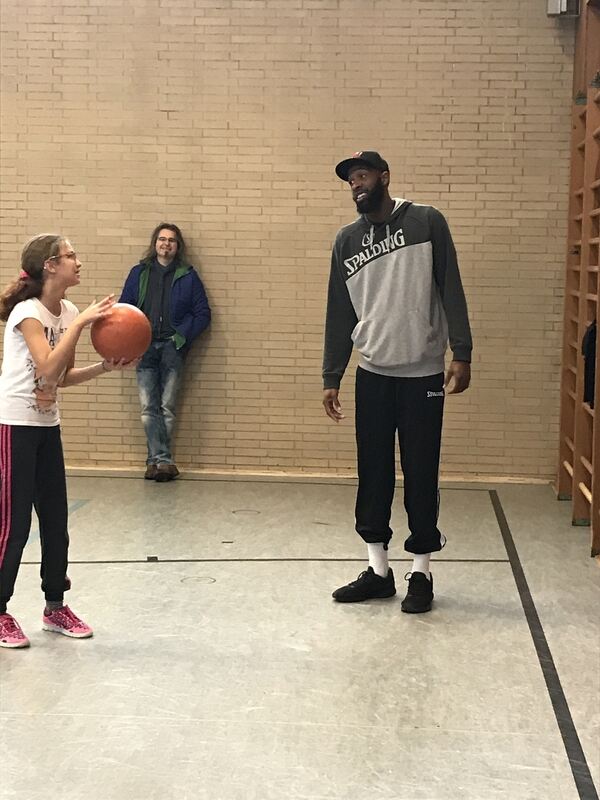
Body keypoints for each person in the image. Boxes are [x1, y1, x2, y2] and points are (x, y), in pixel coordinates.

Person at [322, 151, 472, 613]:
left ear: (384, 177)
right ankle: (379, 570)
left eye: (362, 176)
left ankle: (421, 572)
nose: (355, 185)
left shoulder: (427, 221)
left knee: (421, 471)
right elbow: (339, 311)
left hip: (422, 372)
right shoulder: (347, 240)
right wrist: (333, 373)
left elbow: (451, 286)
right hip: (372, 374)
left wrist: (461, 352)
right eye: (350, 181)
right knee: (373, 473)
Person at [0, 233, 133, 648]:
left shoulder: (70, 309)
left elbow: (59, 376)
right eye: (70, 255)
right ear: (50, 266)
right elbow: (45, 364)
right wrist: (78, 325)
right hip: (15, 425)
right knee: (14, 524)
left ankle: (54, 606)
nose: (78, 261)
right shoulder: (27, 312)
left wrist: (104, 368)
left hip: (47, 427)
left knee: (56, 521)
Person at [120, 223, 211, 482]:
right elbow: (124, 309)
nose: (166, 244)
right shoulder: (139, 273)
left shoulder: (188, 276)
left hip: (173, 348)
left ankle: (156, 462)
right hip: (144, 348)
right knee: (149, 407)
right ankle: (163, 461)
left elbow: (203, 314)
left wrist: (180, 338)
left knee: (166, 408)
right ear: (155, 243)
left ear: (177, 246)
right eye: (162, 239)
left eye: (171, 240)